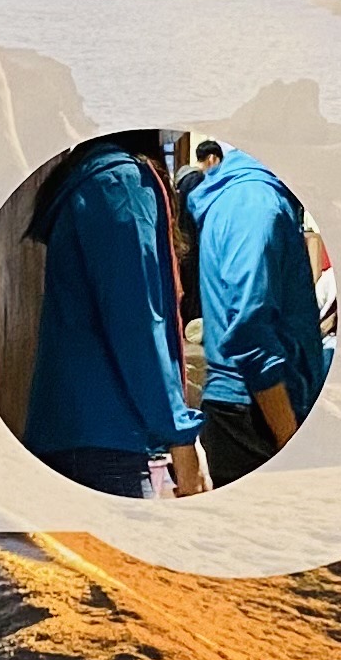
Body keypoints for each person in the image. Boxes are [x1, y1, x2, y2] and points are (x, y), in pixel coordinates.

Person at [18, 130, 205, 499]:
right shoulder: (120, 183)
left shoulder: (92, 175)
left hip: (80, 432)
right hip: (111, 440)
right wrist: (181, 438)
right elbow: (139, 325)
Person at [184, 139, 328, 491]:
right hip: (254, 412)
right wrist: (287, 435)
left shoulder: (247, 194)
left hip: (250, 407)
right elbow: (249, 330)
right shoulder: (257, 203)